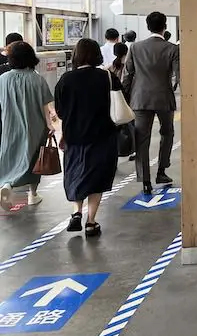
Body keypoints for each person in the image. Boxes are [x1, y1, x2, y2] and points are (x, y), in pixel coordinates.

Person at [55, 39, 120, 237]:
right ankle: (91, 222)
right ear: (96, 55)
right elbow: (119, 102)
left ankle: (77, 212)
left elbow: (60, 111)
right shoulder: (106, 77)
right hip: (103, 135)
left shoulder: (66, 79)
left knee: (75, 172)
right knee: (97, 177)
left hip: (74, 136)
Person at [124, 12, 180, 193]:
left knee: (142, 138)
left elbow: (128, 74)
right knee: (167, 132)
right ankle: (162, 171)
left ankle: (145, 180)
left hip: (140, 99)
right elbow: (179, 76)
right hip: (164, 97)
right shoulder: (172, 49)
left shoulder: (135, 47)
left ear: (148, 27)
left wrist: (125, 97)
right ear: (165, 26)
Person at [0, 42, 56, 210]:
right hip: (35, 125)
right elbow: (48, 106)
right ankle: (33, 194)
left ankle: (7, 185)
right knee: (34, 159)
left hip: (9, 125)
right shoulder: (37, 79)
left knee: (9, 155)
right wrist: (52, 124)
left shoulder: (3, 79)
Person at [108, 42, 136, 162]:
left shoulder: (110, 67)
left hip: (114, 101)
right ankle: (133, 149)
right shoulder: (131, 66)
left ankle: (115, 152)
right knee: (132, 126)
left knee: (115, 127)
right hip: (129, 99)